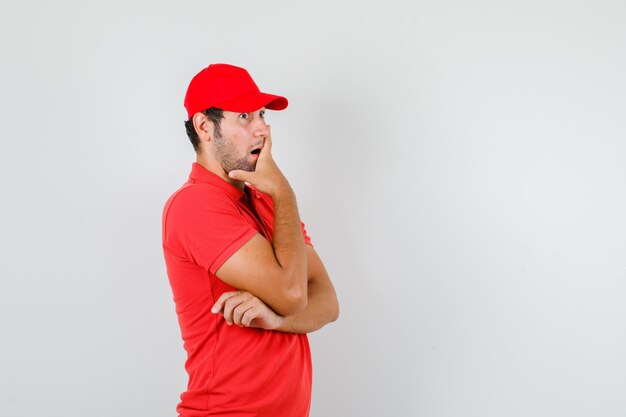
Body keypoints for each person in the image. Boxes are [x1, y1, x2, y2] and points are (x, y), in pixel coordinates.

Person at [161, 63, 339, 417]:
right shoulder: (196, 204)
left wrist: (277, 320)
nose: (263, 128)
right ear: (204, 126)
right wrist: (284, 192)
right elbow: (292, 294)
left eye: (260, 114)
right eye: (244, 116)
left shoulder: (265, 201)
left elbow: (327, 302)